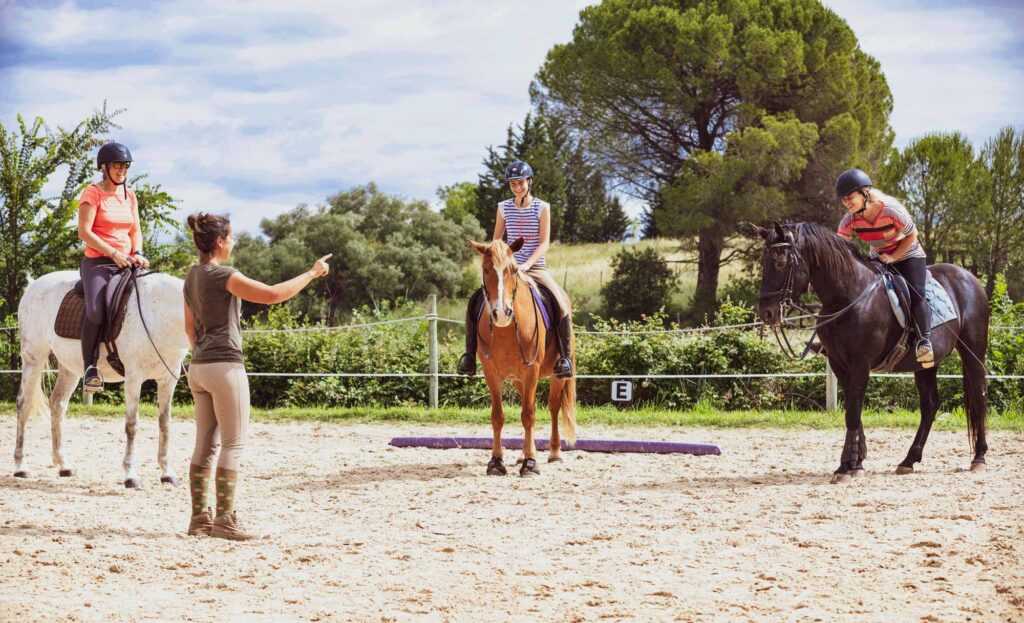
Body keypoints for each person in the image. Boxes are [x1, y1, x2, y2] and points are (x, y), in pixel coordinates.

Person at [183, 212, 330, 540]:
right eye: (231, 237)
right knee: (233, 443)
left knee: (204, 444)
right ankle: (224, 520)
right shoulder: (224, 275)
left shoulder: (191, 276)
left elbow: (189, 328)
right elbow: (274, 294)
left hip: (199, 368)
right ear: (220, 242)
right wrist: (312, 273)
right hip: (226, 366)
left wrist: (202, 355)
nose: (233, 242)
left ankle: (198, 519)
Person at [457, 160, 574, 378]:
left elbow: (544, 243)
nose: (517, 187)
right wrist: (499, 260)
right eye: (512, 184)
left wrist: (527, 264)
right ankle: (469, 357)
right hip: (507, 269)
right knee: (475, 302)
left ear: (529, 182)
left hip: (535, 267)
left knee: (560, 302)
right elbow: (496, 241)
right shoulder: (503, 207)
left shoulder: (542, 207)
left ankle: (565, 358)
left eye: (520, 183)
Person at [834, 168, 934, 367]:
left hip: (908, 254)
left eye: (850, 198)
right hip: (879, 256)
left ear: (865, 193)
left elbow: (912, 235)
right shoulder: (850, 219)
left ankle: (924, 342)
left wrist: (894, 256)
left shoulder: (890, 209)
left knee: (916, 292)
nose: (847, 203)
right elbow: (837, 249)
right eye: (843, 200)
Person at [76, 142, 149, 394]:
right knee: (95, 311)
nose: (122, 170)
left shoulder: (130, 195)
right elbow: (84, 232)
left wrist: (137, 251)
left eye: (126, 166)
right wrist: (113, 252)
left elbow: (135, 230)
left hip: (127, 261)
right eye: (118, 165)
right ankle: (89, 368)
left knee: (149, 297)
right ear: (104, 167)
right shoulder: (92, 194)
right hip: (98, 262)